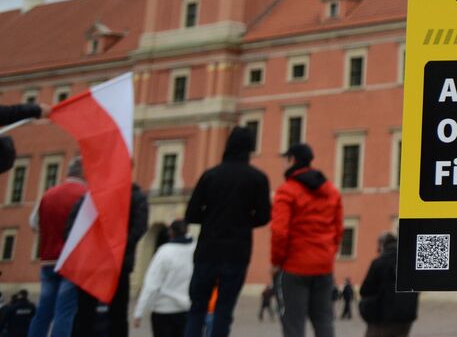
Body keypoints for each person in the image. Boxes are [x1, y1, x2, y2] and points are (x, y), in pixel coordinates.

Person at [182, 125, 272, 337]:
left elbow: (192, 214)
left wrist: (213, 219)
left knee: (197, 309)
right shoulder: (257, 178)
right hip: (237, 252)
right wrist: (242, 221)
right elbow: (264, 216)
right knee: (223, 311)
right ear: (250, 148)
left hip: (207, 250)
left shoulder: (210, 175)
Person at [271, 142, 344, 337]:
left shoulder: (287, 191)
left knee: (293, 324)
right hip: (323, 266)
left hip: (295, 267)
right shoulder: (331, 191)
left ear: (292, 160)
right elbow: (338, 230)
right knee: (324, 321)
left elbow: (279, 232)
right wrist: (328, 253)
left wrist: (277, 261)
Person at [69, 181, 149, 337]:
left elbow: (71, 229)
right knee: (117, 316)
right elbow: (139, 227)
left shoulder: (90, 195)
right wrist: (120, 247)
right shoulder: (135, 196)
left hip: (93, 264)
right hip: (115, 264)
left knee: (84, 315)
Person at [27, 156, 85, 337]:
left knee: (43, 312)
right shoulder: (85, 195)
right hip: (72, 263)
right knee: (64, 313)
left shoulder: (48, 194)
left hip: (48, 261)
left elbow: (33, 223)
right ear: (84, 172)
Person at [133, 218, 195, 337]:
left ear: (171, 232)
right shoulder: (194, 249)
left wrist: (139, 312)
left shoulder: (164, 252)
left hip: (163, 309)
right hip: (186, 308)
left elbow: (151, 284)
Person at [358, 232, 418, 337]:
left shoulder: (379, 263)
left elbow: (365, 290)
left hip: (382, 318)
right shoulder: (410, 261)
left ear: (382, 245)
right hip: (406, 317)